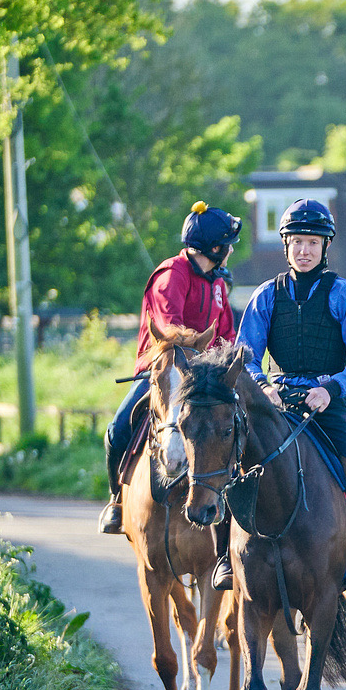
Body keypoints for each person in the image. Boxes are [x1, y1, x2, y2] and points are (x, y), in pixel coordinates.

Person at [235, 198, 346, 593]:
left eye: (312, 243)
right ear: (286, 246)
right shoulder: (265, 295)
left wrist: (330, 388)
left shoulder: (345, 294)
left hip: (326, 405)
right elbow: (245, 355)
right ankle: (226, 560)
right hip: (275, 401)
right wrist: (264, 386)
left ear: (325, 247)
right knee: (229, 469)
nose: (304, 251)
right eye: (297, 242)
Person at [100, 200, 241, 539]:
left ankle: (236, 519)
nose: (232, 249)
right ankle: (117, 501)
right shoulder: (170, 276)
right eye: (229, 244)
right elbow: (170, 332)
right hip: (166, 373)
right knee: (118, 427)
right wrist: (203, 354)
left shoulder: (218, 284)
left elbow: (228, 335)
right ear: (215, 247)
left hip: (205, 380)